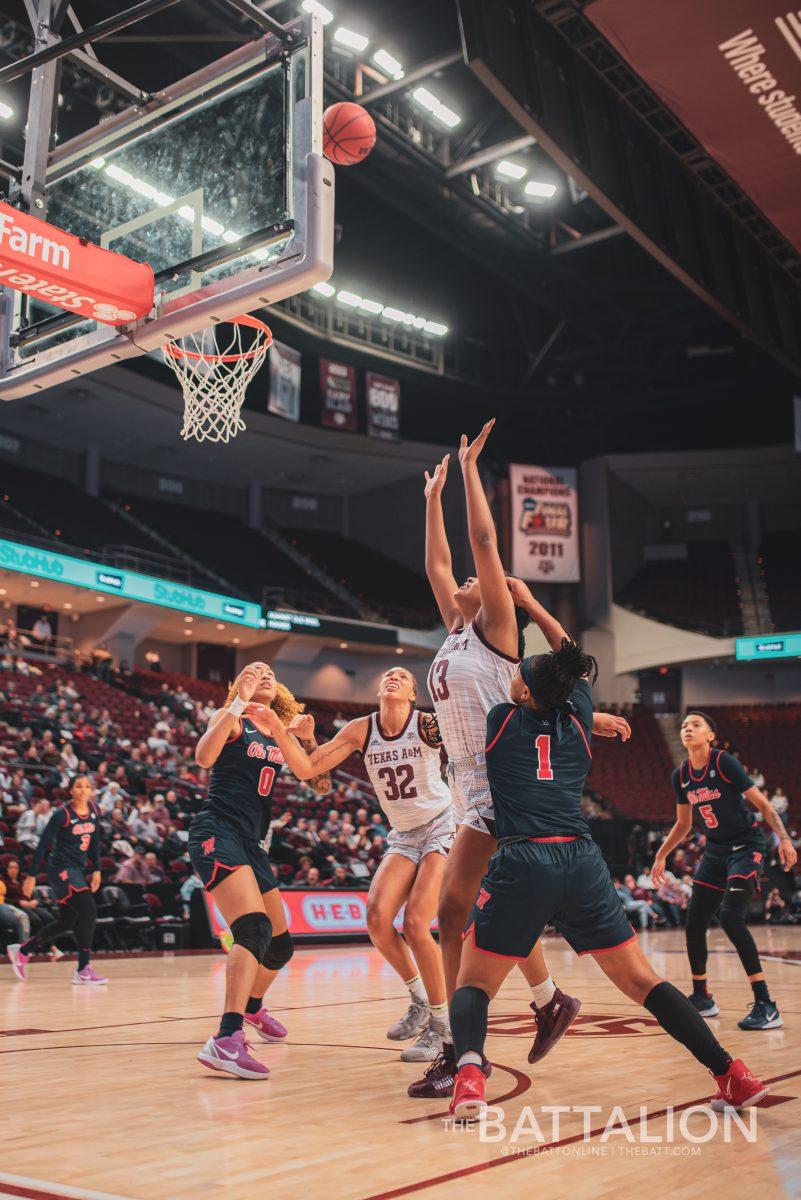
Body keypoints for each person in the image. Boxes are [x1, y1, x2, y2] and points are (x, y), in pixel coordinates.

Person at [447, 641, 769, 1119]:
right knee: (643, 980)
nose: (513, 676)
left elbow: (558, 673)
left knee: (472, 981)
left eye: (521, 674)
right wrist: (535, 607)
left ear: (528, 694)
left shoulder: (501, 719)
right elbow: (572, 670)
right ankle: (731, 1073)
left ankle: (470, 1077)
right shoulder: (577, 717)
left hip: (524, 860)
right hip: (581, 862)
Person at [416, 422, 629, 1099]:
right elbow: (438, 567)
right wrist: (431, 499)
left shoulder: (497, 630)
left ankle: (458, 1046)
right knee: (485, 912)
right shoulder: (453, 631)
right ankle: (544, 1000)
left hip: (497, 783)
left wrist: (471, 468)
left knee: (453, 914)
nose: (473, 581)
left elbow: (480, 546)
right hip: (465, 782)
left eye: (488, 581)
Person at [263, 665, 456, 1064]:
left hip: (442, 824)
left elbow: (475, 739)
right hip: (404, 833)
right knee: (376, 918)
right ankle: (420, 1000)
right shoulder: (360, 729)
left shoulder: (427, 725)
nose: (392, 678)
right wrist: (291, 734)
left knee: (417, 923)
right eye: (388, 674)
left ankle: (444, 1027)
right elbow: (308, 769)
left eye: (402, 677)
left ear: (412, 694)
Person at [190, 662, 331, 1080]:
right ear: (241, 684)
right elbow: (203, 756)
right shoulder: (232, 716)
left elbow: (318, 783)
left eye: (270, 670)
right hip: (217, 831)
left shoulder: (276, 729)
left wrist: (307, 741)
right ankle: (226, 1039)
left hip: (252, 844)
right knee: (252, 930)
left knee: (280, 947)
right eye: (254, 670)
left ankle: (251, 1006)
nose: (264, 672)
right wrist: (237, 700)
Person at [651, 711, 797, 1030]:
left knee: (731, 918)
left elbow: (763, 804)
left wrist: (784, 839)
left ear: (710, 735)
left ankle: (766, 1004)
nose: (688, 728)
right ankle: (702, 997)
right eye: (684, 725)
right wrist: (661, 855)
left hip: (746, 845)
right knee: (694, 921)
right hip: (716, 850)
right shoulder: (681, 775)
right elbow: (684, 824)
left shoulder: (723, 762)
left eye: (696, 724)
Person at [7, 775, 108, 985]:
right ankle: (83, 969)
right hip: (61, 869)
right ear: (70, 790)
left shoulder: (94, 811)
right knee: (89, 911)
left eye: (88, 786)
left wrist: (97, 870)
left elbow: (95, 842)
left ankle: (22, 951)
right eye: (79, 786)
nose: (83, 790)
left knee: (66, 922)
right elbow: (43, 844)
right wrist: (32, 876)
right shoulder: (62, 814)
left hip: (78, 870)